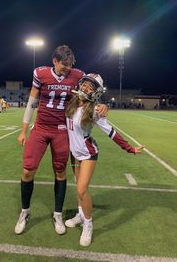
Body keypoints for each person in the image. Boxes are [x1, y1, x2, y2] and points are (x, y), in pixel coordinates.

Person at [14, 45, 108, 236]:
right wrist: (24, 130)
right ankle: (25, 212)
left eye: (70, 64)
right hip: (40, 128)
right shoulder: (40, 73)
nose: (67, 68)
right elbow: (32, 102)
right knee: (27, 170)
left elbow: (89, 91)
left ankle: (58, 214)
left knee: (60, 171)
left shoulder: (77, 74)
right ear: (54, 61)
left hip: (62, 130)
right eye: (64, 64)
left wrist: (102, 104)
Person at [64, 73, 144, 246]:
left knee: (81, 190)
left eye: (90, 87)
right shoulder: (71, 103)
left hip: (87, 153)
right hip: (74, 153)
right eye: (85, 84)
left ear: (96, 92)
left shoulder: (94, 110)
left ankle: (88, 224)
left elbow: (111, 132)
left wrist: (130, 148)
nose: (85, 88)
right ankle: (80, 214)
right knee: (78, 186)